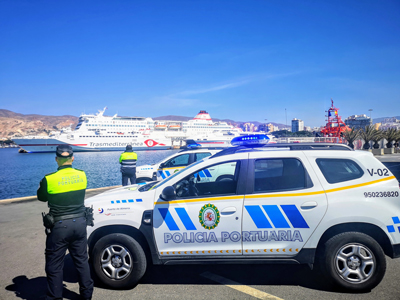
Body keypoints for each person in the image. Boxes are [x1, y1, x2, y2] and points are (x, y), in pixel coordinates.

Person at [37, 145, 93, 300]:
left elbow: (41, 197)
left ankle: (55, 297)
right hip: (80, 223)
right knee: (82, 261)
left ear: (56, 159)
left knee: (55, 265)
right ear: (72, 158)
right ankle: (87, 295)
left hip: (59, 226)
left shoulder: (49, 179)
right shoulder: (82, 175)